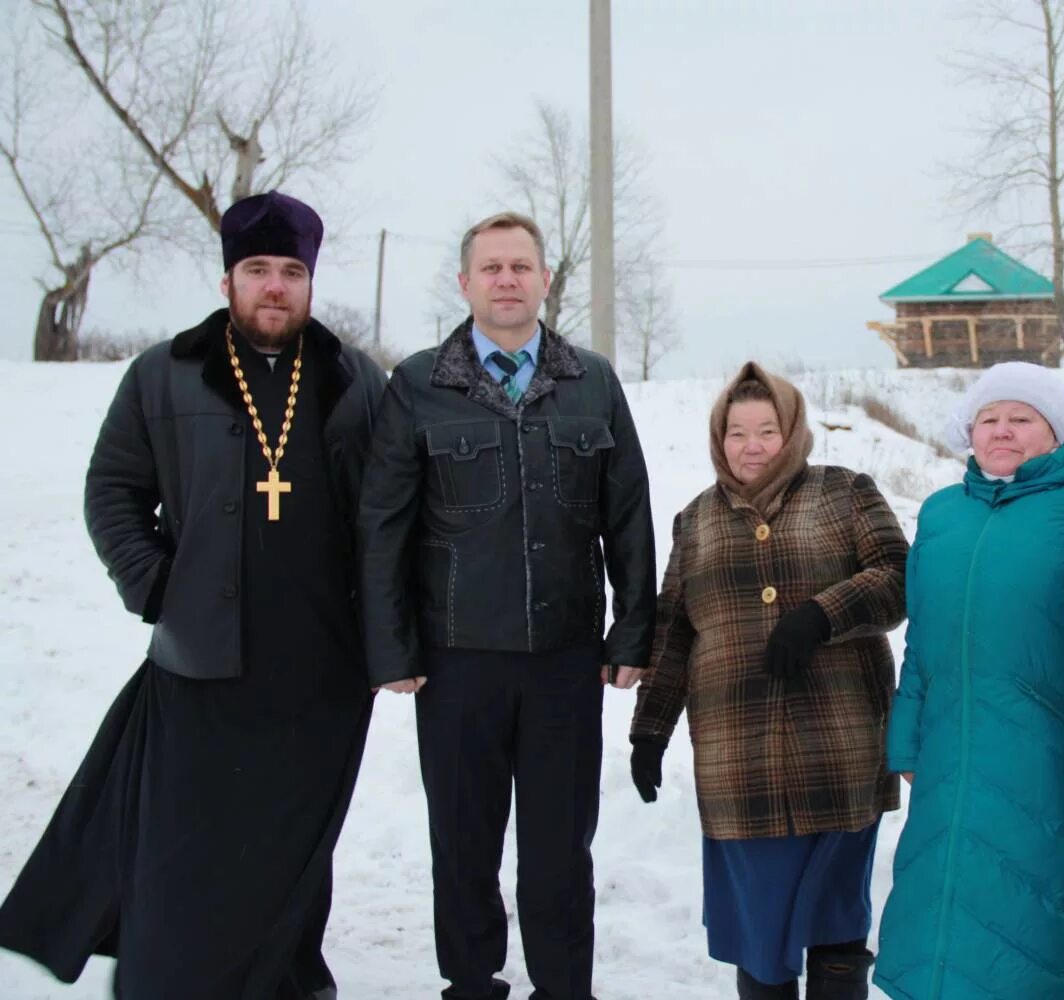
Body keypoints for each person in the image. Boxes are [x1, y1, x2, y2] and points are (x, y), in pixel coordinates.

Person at [0, 191, 387, 998]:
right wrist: (156, 589)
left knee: (291, 842)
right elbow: (112, 491)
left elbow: (392, 511)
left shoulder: (356, 378)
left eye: (290, 272)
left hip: (324, 667)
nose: (274, 287)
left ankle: (281, 974)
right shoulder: (163, 372)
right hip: (204, 659)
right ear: (227, 282)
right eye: (257, 271)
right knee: (189, 840)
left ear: (310, 283)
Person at [357, 211, 655, 1000]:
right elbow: (384, 523)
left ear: (544, 279)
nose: (506, 280)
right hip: (456, 659)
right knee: (463, 840)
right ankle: (471, 982)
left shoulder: (592, 380)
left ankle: (565, 987)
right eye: (490, 268)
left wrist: (632, 631)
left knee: (560, 848)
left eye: (521, 266)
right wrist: (391, 647)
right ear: (465, 283)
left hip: (564, 658)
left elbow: (628, 514)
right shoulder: (420, 384)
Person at [628, 363, 908, 1000]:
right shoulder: (694, 522)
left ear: (794, 433)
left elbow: (898, 576)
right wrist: (649, 732)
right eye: (736, 433)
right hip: (739, 761)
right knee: (760, 932)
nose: (751, 446)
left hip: (839, 748)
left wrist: (821, 615)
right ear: (717, 438)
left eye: (767, 431)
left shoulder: (846, 493)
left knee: (837, 922)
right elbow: (673, 633)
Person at [873, 362, 1064, 1000]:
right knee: (937, 910)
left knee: (1031, 920)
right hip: (947, 753)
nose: (1002, 431)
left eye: (1022, 418)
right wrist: (908, 739)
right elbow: (923, 640)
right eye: (989, 419)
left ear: (1056, 431)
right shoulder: (943, 514)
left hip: (1047, 760)